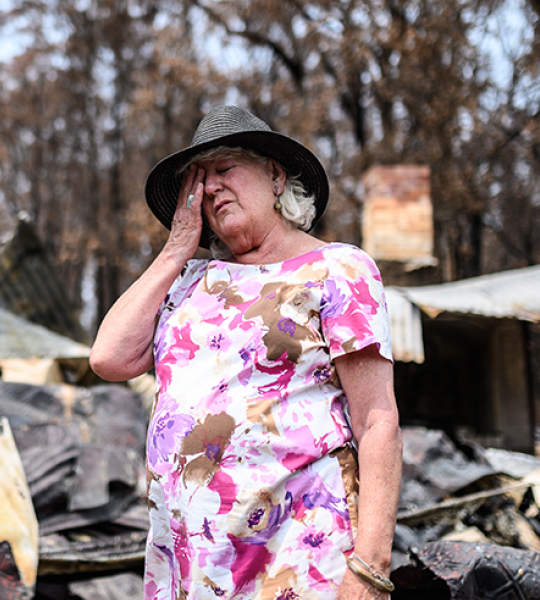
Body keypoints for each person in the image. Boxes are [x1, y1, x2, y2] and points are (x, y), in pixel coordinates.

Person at [90, 105, 401, 600]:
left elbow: (377, 421)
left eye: (224, 168)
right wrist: (175, 251)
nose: (209, 188)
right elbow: (108, 358)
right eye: (197, 180)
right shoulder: (188, 280)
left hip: (297, 552)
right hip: (193, 561)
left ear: (275, 176)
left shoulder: (337, 270)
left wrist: (370, 567)